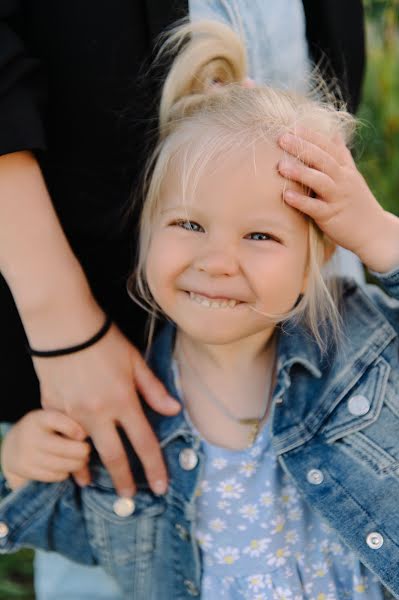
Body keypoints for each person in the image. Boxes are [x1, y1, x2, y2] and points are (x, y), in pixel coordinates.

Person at [1, 19, 399, 600]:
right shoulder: (128, 411)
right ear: (144, 233)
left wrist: (381, 236)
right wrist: (20, 467)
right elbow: (98, 539)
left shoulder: (364, 349)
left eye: (260, 236)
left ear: (320, 250)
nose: (217, 261)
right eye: (189, 225)